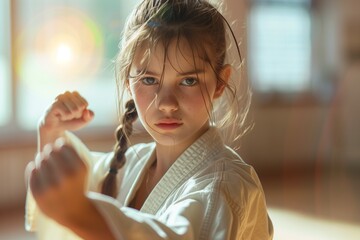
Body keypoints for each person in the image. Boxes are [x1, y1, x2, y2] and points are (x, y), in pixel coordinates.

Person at [25, 0, 274, 239]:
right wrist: (51, 134)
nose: (166, 103)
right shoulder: (131, 163)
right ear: (127, 80)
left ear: (220, 83)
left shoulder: (225, 187)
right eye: (149, 80)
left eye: (189, 81)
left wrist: (82, 213)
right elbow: (74, 186)